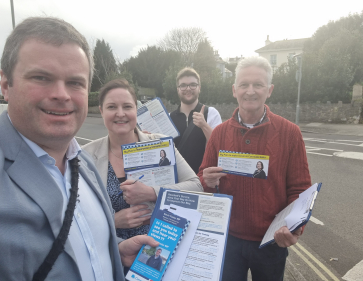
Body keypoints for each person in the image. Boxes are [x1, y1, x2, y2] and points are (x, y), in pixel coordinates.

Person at [0, 17, 158, 281]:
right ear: (6, 85)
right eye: (41, 77)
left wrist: (111, 252)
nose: (62, 94)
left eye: (75, 82)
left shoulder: (83, 161)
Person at [198, 56, 311, 281]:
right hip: (227, 239)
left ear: (269, 90)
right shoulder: (219, 133)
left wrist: (294, 227)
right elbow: (203, 177)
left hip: (270, 242)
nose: (250, 91)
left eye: (258, 85)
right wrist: (206, 181)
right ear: (234, 90)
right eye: (244, 85)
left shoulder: (290, 133)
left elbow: (300, 190)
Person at [82, 78, 202, 240]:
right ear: (101, 111)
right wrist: (112, 220)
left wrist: (152, 193)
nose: (120, 113)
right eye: (111, 107)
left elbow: (196, 187)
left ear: (136, 110)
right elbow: (78, 214)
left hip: (161, 244)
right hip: (113, 253)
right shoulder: (86, 155)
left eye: (127, 106)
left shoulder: (160, 144)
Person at [170, 67, 222, 174]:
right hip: (176, 181)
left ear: (199, 88)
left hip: (203, 180)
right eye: (183, 85)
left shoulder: (211, 113)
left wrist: (204, 125)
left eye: (193, 85)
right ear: (178, 89)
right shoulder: (169, 117)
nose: (188, 88)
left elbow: (221, 146)